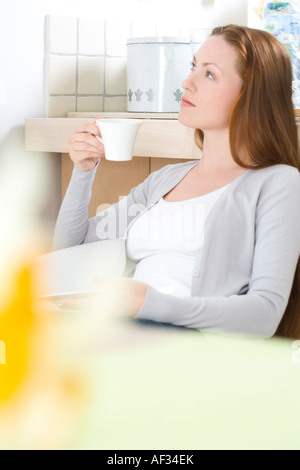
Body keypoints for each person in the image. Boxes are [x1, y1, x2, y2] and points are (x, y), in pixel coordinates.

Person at [53, 25, 300, 339]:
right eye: (194, 66)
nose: (187, 82)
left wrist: (151, 304)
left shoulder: (276, 183)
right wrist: (83, 172)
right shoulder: (166, 180)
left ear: (250, 95)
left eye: (209, 74)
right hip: (122, 327)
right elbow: (68, 253)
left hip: (181, 342)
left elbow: (264, 314)